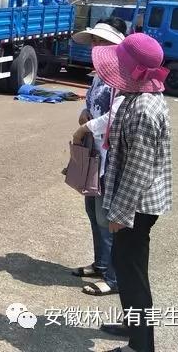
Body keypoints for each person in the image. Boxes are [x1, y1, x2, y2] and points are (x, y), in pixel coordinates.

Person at [92, 33, 172, 352]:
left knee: (132, 271)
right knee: (124, 264)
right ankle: (132, 323)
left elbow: (139, 168)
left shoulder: (144, 110)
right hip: (134, 201)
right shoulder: (138, 98)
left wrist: (120, 214)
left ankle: (140, 346)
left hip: (137, 206)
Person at [69, 18, 127, 299]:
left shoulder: (123, 76)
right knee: (93, 211)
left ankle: (114, 278)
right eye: (94, 41)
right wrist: (84, 112)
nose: (96, 46)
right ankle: (101, 263)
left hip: (111, 154)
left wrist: (86, 127)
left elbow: (116, 114)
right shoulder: (100, 74)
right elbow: (93, 101)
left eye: (102, 42)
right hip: (95, 152)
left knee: (107, 217)